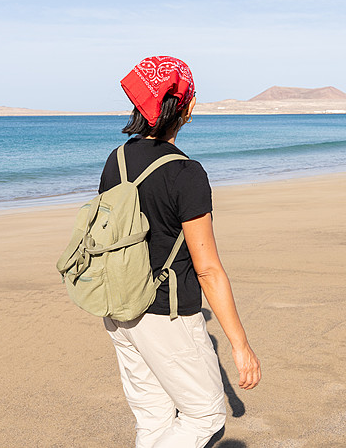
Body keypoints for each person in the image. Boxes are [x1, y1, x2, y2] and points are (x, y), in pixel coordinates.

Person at [100, 56, 261, 448]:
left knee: (153, 417)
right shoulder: (186, 173)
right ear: (184, 106)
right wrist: (241, 346)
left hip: (118, 305)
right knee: (205, 417)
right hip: (166, 312)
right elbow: (207, 269)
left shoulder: (116, 159)